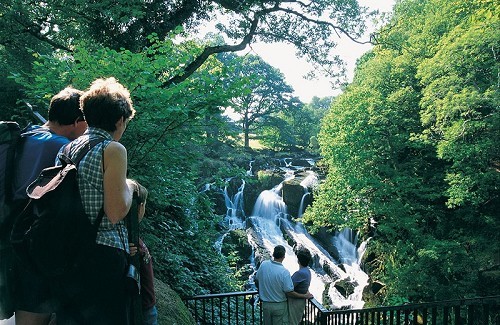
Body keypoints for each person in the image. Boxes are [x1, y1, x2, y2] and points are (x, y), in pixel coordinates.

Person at [53, 77, 137, 324]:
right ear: (120, 120)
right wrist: (132, 188)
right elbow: (115, 211)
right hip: (102, 256)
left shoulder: (66, 149)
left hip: (69, 253)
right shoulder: (112, 149)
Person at [11, 87, 87, 325]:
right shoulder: (62, 148)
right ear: (77, 121)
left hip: (11, 231)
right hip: (35, 239)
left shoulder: (26, 134)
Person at [254, 245, 313, 325]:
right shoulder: (284, 272)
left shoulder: (264, 265)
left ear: (273, 254)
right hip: (280, 305)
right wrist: (304, 296)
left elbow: (257, 279)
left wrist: (262, 291)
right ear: (284, 256)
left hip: (266, 304)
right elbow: (289, 291)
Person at [128, 182, 158, 325]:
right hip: (142, 308)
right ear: (140, 207)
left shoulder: (135, 236)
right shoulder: (128, 238)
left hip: (147, 305)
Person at [288, 247, 312, 325]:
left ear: (298, 260)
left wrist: (304, 296)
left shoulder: (299, 274)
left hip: (294, 303)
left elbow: (288, 289)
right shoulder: (308, 271)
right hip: (300, 303)